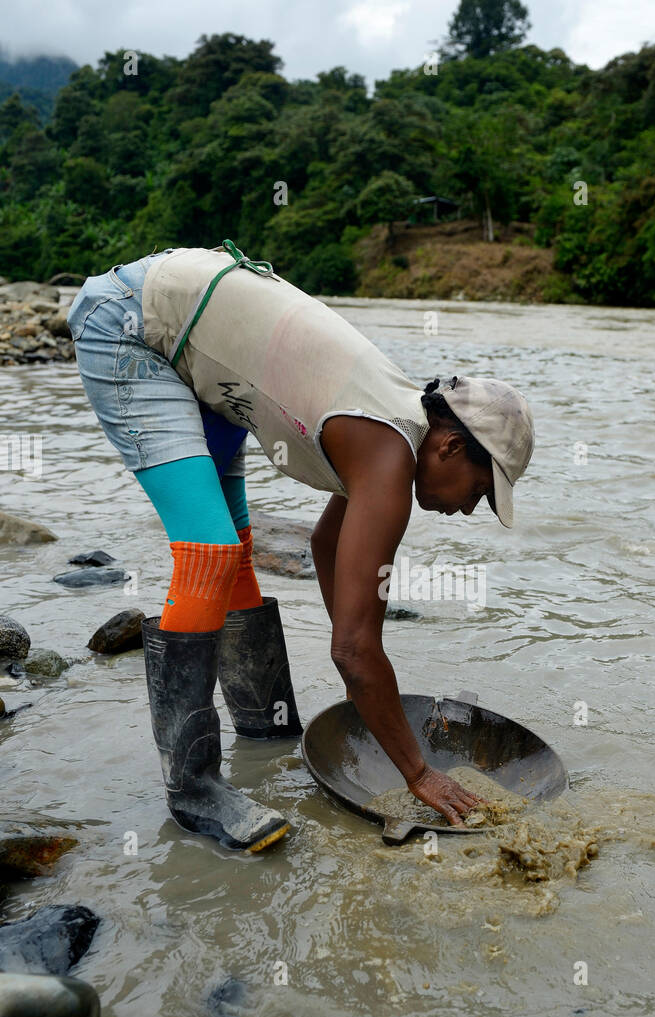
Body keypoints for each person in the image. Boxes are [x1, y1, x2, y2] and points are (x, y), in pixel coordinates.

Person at [68, 240, 535, 853]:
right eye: (479, 489)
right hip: (133, 326)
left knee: (233, 545)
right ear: (449, 447)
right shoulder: (389, 455)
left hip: (191, 347)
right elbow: (354, 646)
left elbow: (325, 543)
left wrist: (361, 686)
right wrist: (418, 772)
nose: (470, 508)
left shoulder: (391, 432)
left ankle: (262, 727)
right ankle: (193, 789)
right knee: (207, 551)